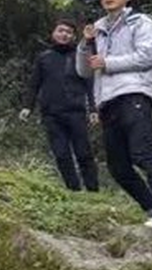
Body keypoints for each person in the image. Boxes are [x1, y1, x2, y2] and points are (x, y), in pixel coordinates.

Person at [75, 0, 152, 231]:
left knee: (143, 151)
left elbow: (147, 56)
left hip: (134, 94)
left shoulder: (142, 22)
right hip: (107, 100)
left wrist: (109, 63)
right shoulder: (99, 28)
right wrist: (86, 43)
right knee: (118, 166)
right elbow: (84, 70)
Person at [20, 18, 99, 192]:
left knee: (84, 153)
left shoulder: (79, 56)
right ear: (53, 33)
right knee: (61, 154)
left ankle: (93, 190)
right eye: (61, 31)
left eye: (69, 32)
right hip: (51, 114)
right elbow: (34, 84)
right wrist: (28, 106)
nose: (64, 34)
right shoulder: (44, 58)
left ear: (73, 36)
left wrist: (93, 108)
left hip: (76, 112)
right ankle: (74, 190)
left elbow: (89, 83)